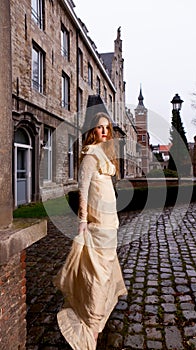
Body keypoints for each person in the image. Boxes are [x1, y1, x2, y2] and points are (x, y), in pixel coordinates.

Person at [54, 112, 127, 350]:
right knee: (96, 275)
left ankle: (97, 317)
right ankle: (91, 325)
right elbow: (83, 190)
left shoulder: (107, 156)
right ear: (92, 131)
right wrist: (83, 221)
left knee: (105, 275)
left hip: (111, 224)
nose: (104, 132)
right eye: (99, 128)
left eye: (107, 128)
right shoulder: (89, 156)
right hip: (96, 226)